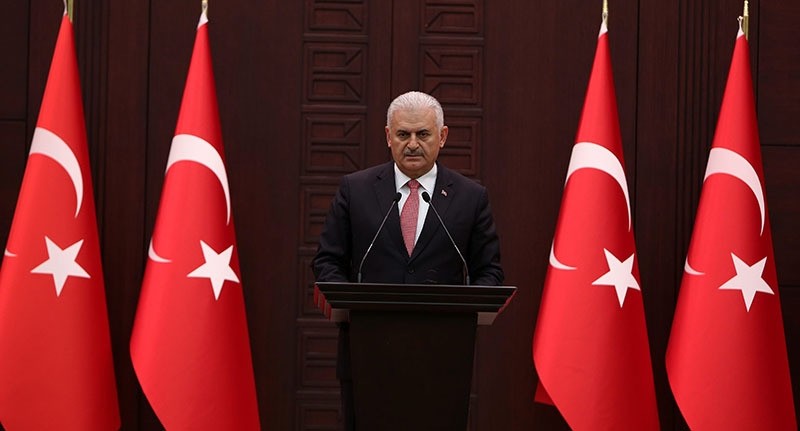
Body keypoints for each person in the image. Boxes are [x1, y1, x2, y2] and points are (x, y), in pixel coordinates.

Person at [312, 91, 504, 430]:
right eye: (403, 134)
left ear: (442, 137)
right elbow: (328, 262)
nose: (412, 144)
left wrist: (467, 305)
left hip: (442, 357)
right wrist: (350, 304)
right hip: (367, 354)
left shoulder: (471, 198)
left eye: (423, 134)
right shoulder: (355, 190)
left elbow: (489, 271)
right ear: (388, 136)